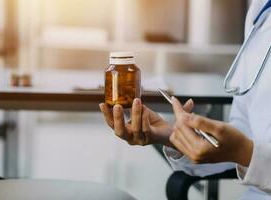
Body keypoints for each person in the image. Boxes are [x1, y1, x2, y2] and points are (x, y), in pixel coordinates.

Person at [100, 0, 271, 199]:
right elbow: (246, 132)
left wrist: (245, 153)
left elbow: (248, 150)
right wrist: (175, 136)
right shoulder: (261, 10)